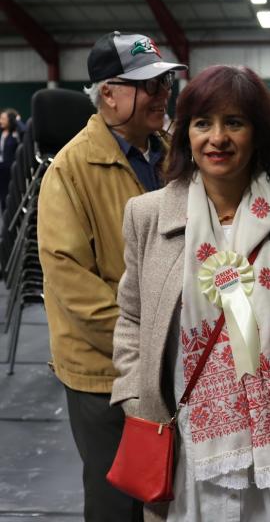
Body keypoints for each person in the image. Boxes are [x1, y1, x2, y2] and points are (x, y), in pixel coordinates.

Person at [109, 65, 270, 521]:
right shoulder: (148, 215)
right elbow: (130, 319)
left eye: (235, 122)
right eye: (203, 123)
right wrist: (136, 396)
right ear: (185, 133)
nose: (217, 138)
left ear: (258, 133)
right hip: (186, 442)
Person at [37, 31, 185, 522]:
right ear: (108, 94)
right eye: (150, 86)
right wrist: (145, 340)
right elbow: (69, 281)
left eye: (165, 83)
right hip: (106, 374)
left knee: (168, 492)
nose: (163, 94)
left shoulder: (170, 155)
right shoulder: (70, 170)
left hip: (170, 360)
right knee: (116, 499)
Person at [0, 108, 20, 210]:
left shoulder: (15, 134)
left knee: (10, 197)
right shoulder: (3, 134)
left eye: (3, 118)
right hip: (2, 170)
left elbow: (24, 130)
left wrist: (17, 120)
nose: (1, 121)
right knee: (2, 198)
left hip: (11, 171)